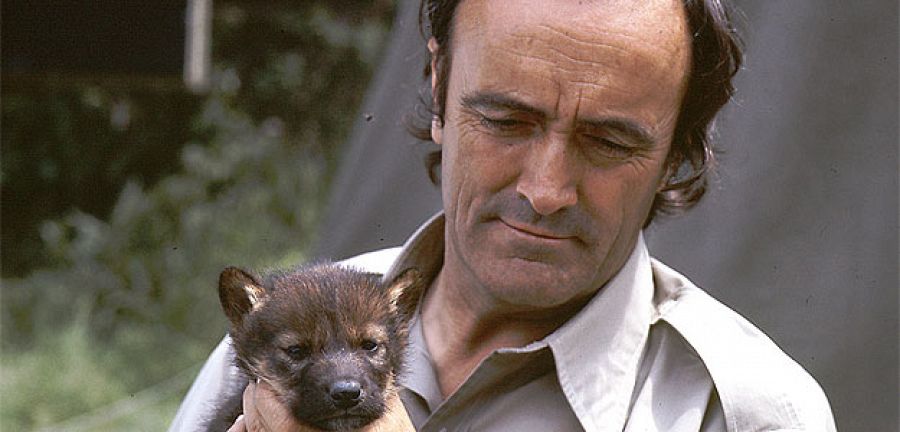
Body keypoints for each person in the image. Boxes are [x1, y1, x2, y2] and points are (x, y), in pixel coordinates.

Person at [170, 0, 837, 430]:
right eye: (505, 119)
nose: (546, 190)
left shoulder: (745, 412)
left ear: (678, 152)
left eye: (608, 141)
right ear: (439, 88)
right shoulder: (276, 338)